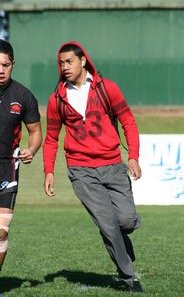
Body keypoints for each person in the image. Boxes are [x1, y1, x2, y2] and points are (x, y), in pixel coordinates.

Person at [43, 41, 143, 292]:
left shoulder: (108, 88)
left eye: (69, 61)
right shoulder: (57, 99)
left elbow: (128, 121)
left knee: (126, 221)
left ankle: (121, 246)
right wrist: (49, 172)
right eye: (61, 63)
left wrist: (133, 156)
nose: (64, 67)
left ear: (83, 61)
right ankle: (128, 276)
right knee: (107, 224)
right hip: (81, 170)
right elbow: (52, 138)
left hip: (113, 165)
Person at [0, 39, 42, 271]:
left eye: (5, 65)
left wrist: (32, 149)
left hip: (7, 170)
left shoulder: (23, 96)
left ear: (13, 65)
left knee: (1, 232)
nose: (0, 70)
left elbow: (35, 131)